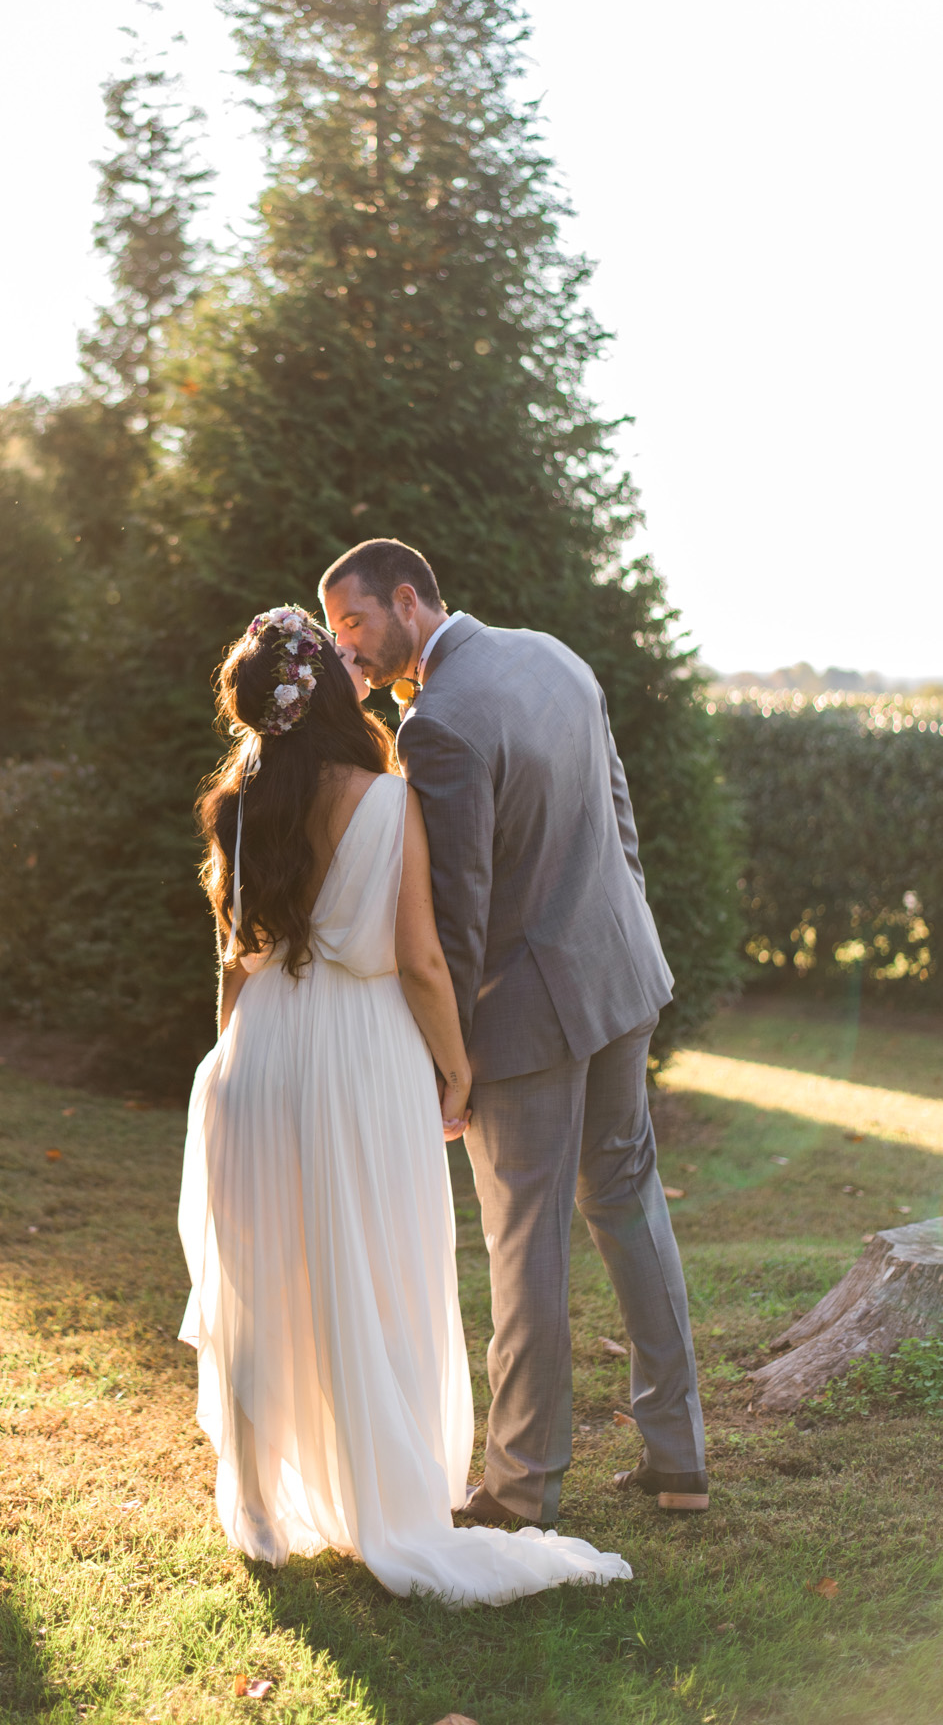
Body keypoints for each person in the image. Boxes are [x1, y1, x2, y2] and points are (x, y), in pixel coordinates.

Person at [177, 604, 632, 1603]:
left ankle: (261, 1508)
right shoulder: (386, 798)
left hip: (258, 1054)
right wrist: (456, 1068)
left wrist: (227, 1063)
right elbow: (423, 958)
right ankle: (382, 1493)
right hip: (362, 1055)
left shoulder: (237, 803)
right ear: (331, 695)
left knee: (268, 1282)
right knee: (376, 1269)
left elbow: (234, 961)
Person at [319, 539, 708, 1526]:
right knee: (626, 1203)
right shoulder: (554, 655)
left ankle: (521, 1486)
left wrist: (447, 1060)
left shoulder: (438, 722)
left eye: (354, 621)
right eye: (333, 630)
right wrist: (622, 936)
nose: (344, 646)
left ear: (408, 600)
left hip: (528, 1015)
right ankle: (678, 1459)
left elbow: (455, 913)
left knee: (522, 1238)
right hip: (620, 976)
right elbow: (618, 820)